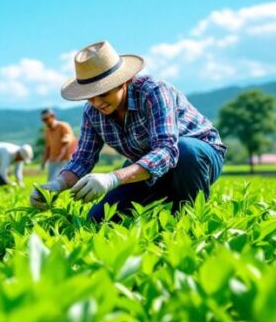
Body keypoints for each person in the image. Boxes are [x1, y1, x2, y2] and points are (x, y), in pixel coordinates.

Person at [30, 40, 226, 221]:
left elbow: (167, 150)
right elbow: (83, 158)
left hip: (195, 160)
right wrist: (58, 185)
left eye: (104, 93)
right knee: (99, 219)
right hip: (145, 168)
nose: (97, 103)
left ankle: (188, 219)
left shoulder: (153, 92)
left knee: (185, 150)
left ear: (124, 82)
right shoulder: (92, 112)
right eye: (90, 97)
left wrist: (113, 178)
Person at [39, 108, 77, 182]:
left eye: (46, 119)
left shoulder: (63, 126)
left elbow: (68, 141)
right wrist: (43, 162)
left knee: (65, 181)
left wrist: (61, 155)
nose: (45, 122)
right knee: (51, 181)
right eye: (43, 120)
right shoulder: (47, 131)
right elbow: (48, 148)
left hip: (65, 160)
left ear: (53, 116)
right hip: (53, 160)